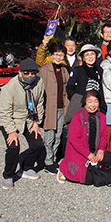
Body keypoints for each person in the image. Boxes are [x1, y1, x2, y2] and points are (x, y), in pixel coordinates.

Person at [0, 58, 45, 190]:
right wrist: (11, 131)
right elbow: (5, 112)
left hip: (29, 119)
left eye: (33, 73)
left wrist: (36, 122)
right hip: (11, 119)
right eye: (26, 73)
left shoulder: (39, 83)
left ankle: (26, 167)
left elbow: (39, 103)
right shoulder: (10, 87)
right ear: (20, 73)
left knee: (38, 144)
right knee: (13, 147)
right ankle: (8, 175)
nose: (30, 76)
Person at [58, 90, 111, 185]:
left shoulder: (102, 117)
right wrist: (88, 155)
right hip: (80, 153)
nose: (93, 105)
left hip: (95, 151)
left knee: (110, 163)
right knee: (88, 179)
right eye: (90, 101)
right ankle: (63, 169)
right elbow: (74, 139)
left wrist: (100, 150)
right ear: (85, 102)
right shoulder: (78, 116)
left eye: (95, 101)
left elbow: (104, 136)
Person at [39, 44, 70, 175]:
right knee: (49, 135)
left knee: (58, 135)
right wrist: (41, 108)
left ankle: (54, 158)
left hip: (62, 107)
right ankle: (48, 161)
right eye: (56, 54)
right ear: (51, 55)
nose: (58, 57)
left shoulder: (64, 70)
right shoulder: (45, 70)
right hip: (49, 108)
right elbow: (39, 91)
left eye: (61, 55)